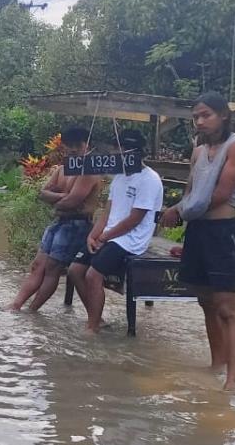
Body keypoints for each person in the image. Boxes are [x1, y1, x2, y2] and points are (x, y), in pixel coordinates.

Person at [161, 92, 235, 391]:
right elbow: (191, 193)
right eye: (195, 117)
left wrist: (177, 211)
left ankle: (232, 382)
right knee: (205, 302)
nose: (200, 121)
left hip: (222, 231)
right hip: (198, 232)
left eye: (206, 115)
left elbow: (218, 196)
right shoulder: (198, 152)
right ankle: (217, 364)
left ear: (223, 115)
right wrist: (177, 210)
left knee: (227, 307)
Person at [67, 129, 163, 333]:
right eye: (114, 151)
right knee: (75, 271)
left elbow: (134, 219)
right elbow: (108, 212)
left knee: (93, 275)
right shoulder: (119, 177)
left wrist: (105, 237)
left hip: (130, 239)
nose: (114, 156)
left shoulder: (149, 179)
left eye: (119, 151)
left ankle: (91, 328)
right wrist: (93, 235)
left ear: (133, 153)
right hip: (110, 235)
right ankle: (98, 318)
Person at [11, 127, 101, 312]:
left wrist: (61, 199)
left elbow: (72, 201)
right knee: (37, 266)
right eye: (70, 146)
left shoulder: (89, 170)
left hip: (77, 225)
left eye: (78, 146)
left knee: (52, 269)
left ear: (87, 145)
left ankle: (32, 311)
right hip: (59, 223)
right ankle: (15, 306)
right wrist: (64, 198)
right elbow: (43, 193)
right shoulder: (62, 169)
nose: (73, 150)